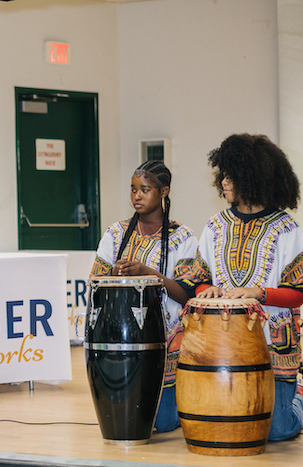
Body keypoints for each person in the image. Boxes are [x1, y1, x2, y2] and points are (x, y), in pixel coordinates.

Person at [177, 133, 303, 441]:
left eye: (231, 175)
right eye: (223, 174)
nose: (224, 181)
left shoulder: (287, 229)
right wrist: (207, 290)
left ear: (253, 177)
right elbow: (198, 280)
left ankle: (300, 397)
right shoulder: (215, 226)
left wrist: (259, 292)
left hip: (274, 346)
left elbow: (298, 294)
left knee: (277, 431)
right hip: (222, 343)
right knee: (230, 422)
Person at [90, 160, 198, 432]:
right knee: (131, 417)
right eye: (133, 189)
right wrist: (114, 274)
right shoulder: (115, 233)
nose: (137, 196)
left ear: (163, 192)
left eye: (145, 189)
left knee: (164, 422)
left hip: (168, 339)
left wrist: (148, 274)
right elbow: (94, 284)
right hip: (121, 338)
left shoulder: (182, 237)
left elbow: (186, 295)